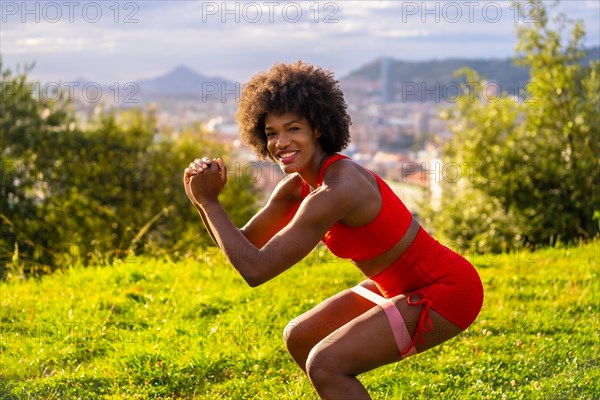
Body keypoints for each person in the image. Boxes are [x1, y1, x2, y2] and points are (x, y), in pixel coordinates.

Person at [183, 61, 484, 400]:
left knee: (326, 363)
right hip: (393, 285)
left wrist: (209, 203)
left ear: (317, 128)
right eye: (271, 133)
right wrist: (201, 199)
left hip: (447, 290)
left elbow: (256, 270)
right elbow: (245, 245)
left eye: (293, 128)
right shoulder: (295, 188)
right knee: (300, 336)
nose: (280, 142)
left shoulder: (336, 189)